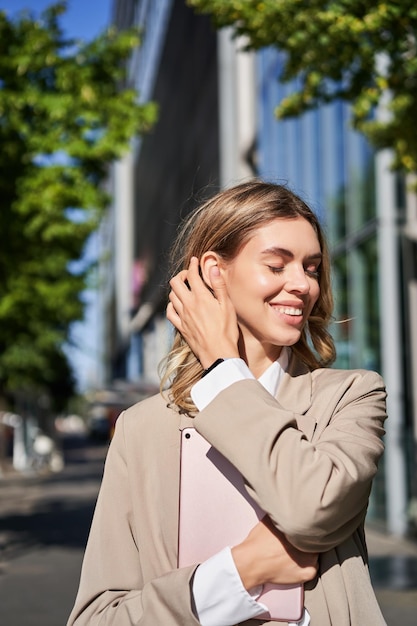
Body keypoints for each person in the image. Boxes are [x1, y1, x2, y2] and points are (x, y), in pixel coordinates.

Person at [67, 180, 387, 626]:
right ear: (215, 272)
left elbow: (312, 509)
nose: (301, 284)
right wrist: (235, 573)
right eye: (277, 265)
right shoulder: (142, 428)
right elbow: (96, 618)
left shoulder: (349, 396)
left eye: (311, 268)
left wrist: (223, 369)